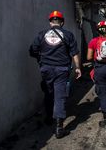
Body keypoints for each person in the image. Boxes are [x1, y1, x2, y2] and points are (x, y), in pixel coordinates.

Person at [29, 10, 81, 139]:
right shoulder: (68, 35)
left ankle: (48, 118)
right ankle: (59, 128)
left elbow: (32, 50)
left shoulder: (42, 35)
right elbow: (74, 53)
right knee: (59, 97)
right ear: (62, 22)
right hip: (62, 70)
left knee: (48, 92)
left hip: (46, 69)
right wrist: (78, 68)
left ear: (50, 22)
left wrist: (41, 60)